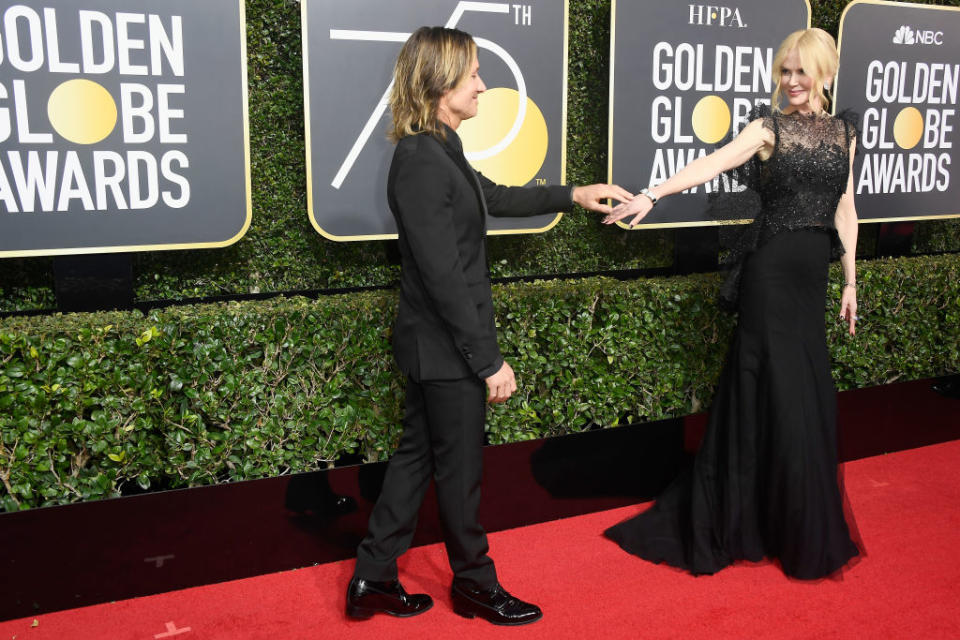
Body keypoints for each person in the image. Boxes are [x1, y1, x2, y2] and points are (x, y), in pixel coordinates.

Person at [345, 26, 631, 624]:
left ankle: (373, 575)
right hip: (445, 348)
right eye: (473, 73)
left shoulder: (440, 148)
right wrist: (488, 361)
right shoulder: (421, 159)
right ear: (441, 81)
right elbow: (444, 278)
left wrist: (573, 193)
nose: (483, 84)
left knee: (416, 459)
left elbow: (493, 198)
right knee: (460, 473)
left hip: (439, 347)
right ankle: (475, 584)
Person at [602, 28, 861, 580]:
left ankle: (788, 521)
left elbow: (845, 208)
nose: (791, 81)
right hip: (769, 275)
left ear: (825, 73)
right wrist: (652, 194)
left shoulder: (844, 132)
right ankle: (747, 518)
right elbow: (713, 163)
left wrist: (850, 280)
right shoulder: (768, 128)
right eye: (784, 71)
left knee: (805, 393)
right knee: (771, 388)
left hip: (811, 278)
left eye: (801, 71)